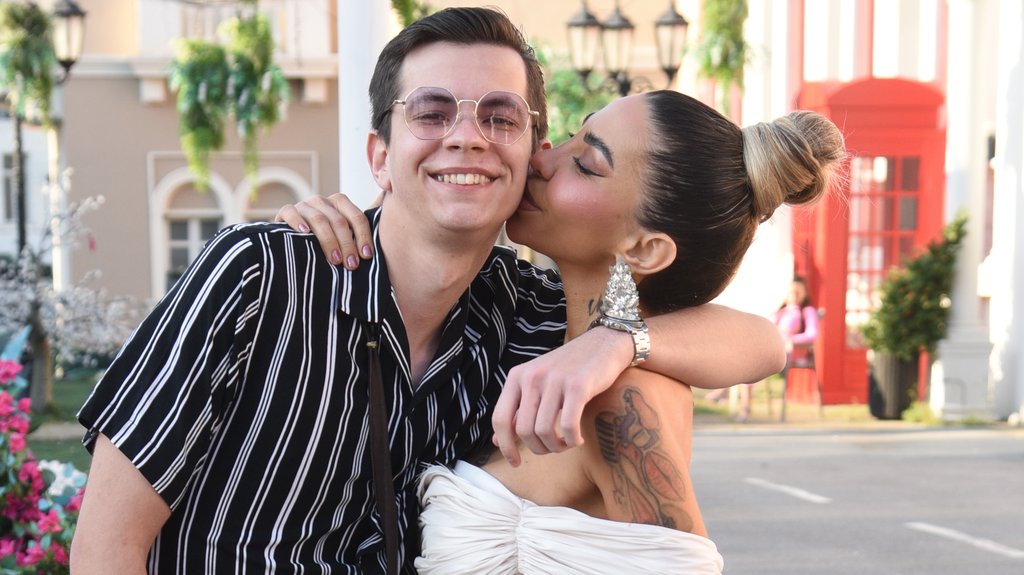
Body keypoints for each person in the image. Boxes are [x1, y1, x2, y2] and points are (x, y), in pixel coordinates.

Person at [70, 8, 785, 574]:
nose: (467, 137)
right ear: (380, 155)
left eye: (500, 117)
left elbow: (762, 342)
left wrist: (615, 342)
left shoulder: (533, 320)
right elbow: (105, 549)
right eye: (432, 112)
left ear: (526, 151)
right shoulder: (260, 278)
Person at [285, 92, 845, 573]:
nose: (544, 157)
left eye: (587, 163)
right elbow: (763, 342)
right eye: (574, 135)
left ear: (644, 249)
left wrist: (616, 342)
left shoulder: (618, 399)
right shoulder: (533, 322)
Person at [709, 276, 820, 421]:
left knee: (749, 361)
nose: (794, 295)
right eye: (791, 292)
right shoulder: (781, 312)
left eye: (798, 292)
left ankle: (727, 393)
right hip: (772, 348)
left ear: (805, 293)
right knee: (746, 359)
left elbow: (812, 335)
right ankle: (742, 405)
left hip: (789, 352)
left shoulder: (807, 311)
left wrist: (789, 339)